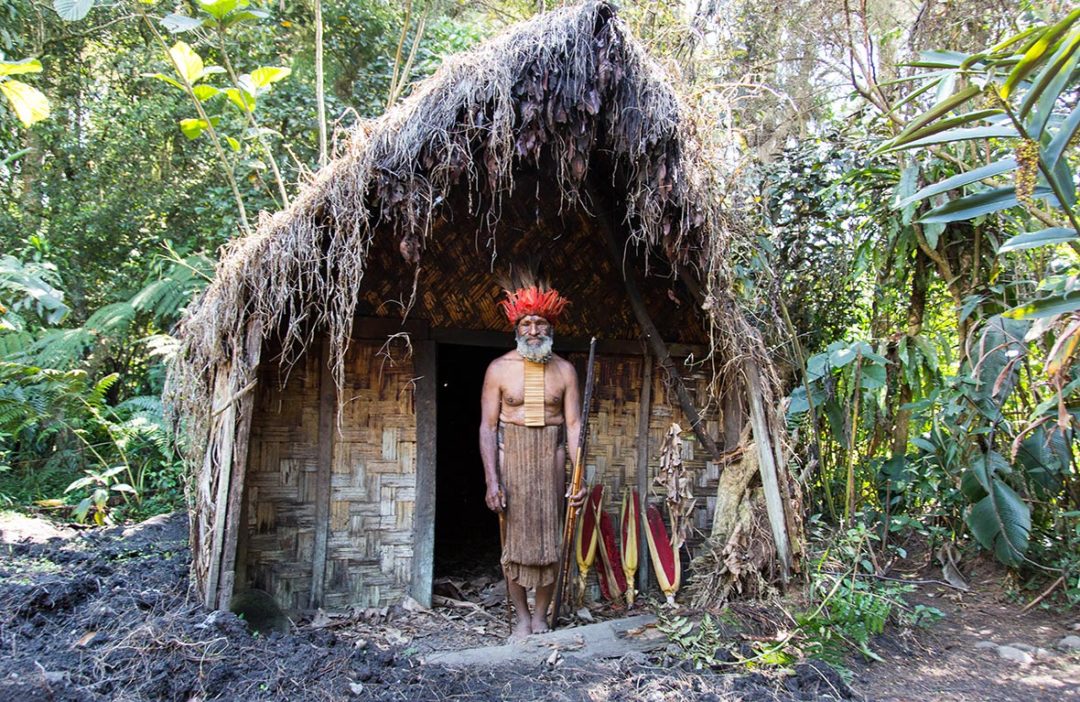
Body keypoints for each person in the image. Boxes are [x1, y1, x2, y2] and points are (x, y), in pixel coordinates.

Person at [479, 283, 587, 640]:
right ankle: (522, 619)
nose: (534, 330)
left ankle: (541, 616)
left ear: (550, 328)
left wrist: (578, 477)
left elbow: (573, 426)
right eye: (527, 323)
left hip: (551, 458)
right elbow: (488, 426)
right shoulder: (498, 369)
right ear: (517, 328)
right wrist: (492, 480)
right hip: (512, 457)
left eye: (540, 323)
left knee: (549, 542)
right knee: (513, 544)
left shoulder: (566, 371)